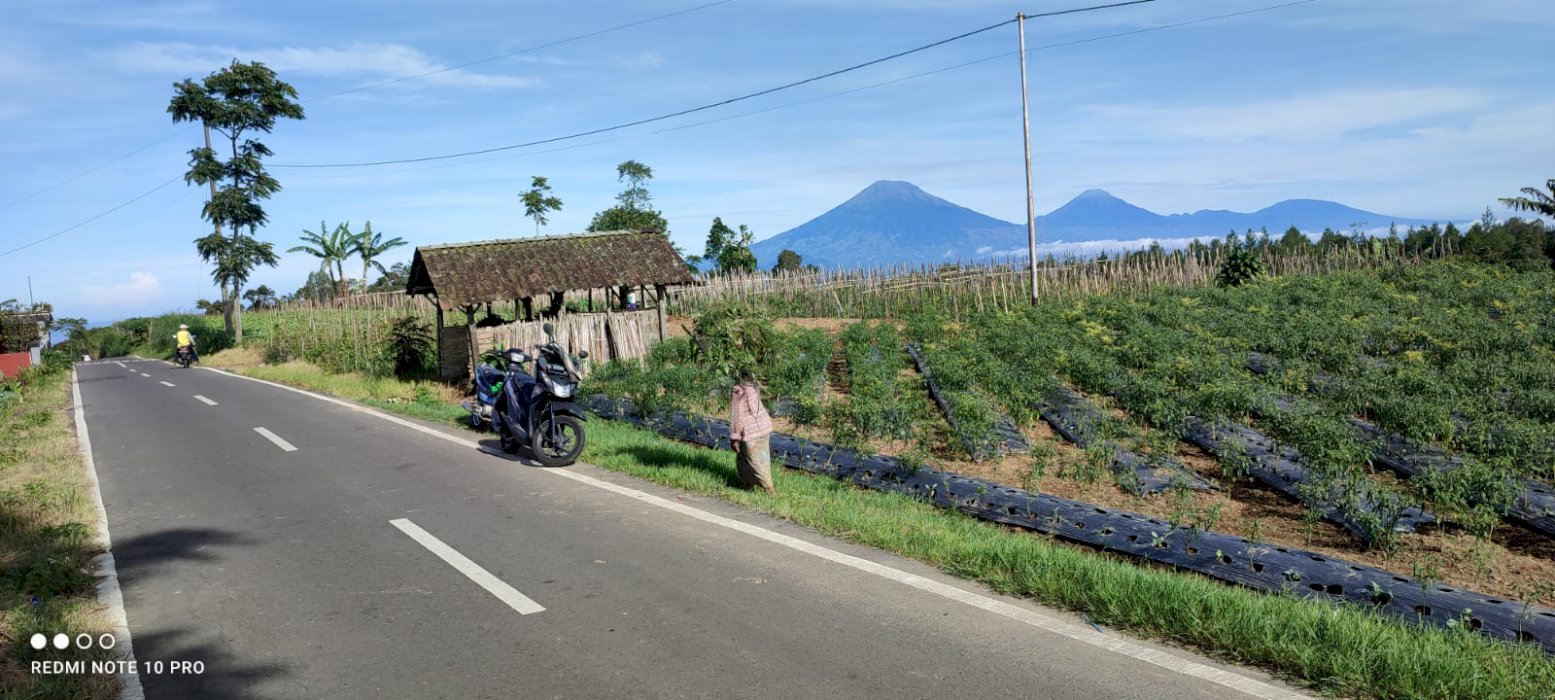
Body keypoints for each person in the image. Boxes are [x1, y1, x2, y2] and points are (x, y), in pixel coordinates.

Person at [728, 377, 775, 494]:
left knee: (755, 464)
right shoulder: (753, 383)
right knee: (746, 460)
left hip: (751, 431)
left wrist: (735, 437)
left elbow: (737, 415)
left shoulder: (738, 388)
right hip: (764, 426)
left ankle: (771, 492)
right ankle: (748, 488)